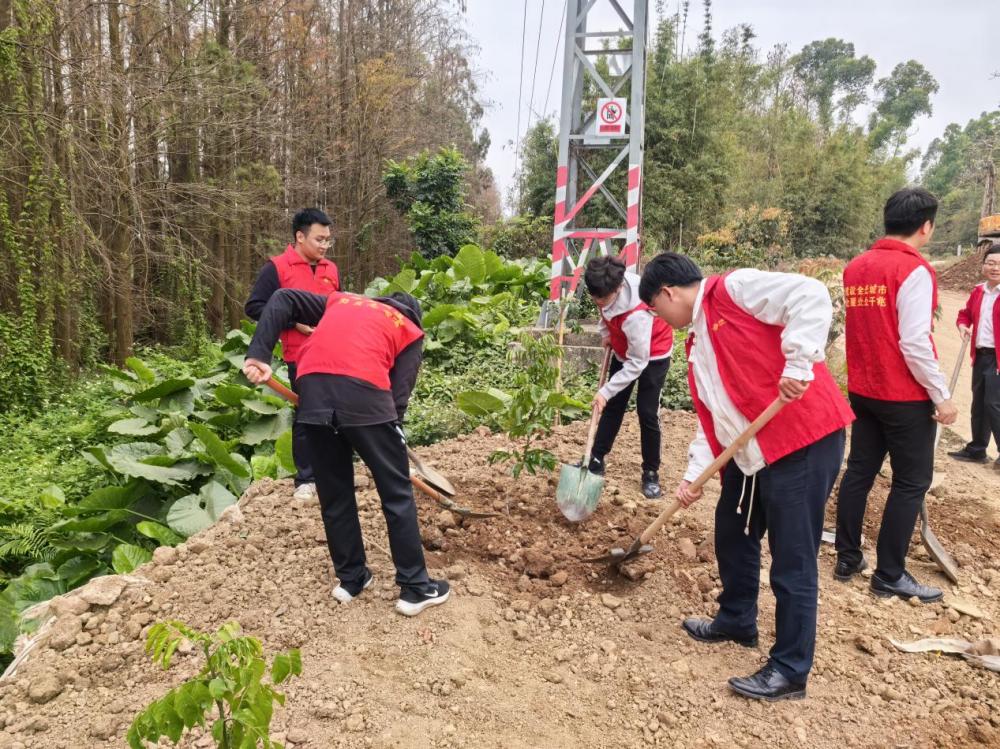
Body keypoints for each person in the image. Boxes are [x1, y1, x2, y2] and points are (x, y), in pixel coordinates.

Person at [639, 252, 852, 703]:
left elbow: (809, 295)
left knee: (792, 558)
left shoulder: (732, 290)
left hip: (802, 439)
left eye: (657, 309)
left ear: (667, 292)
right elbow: (714, 419)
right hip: (754, 451)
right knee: (733, 531)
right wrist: (694, 476)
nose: (660, 318)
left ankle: (791, 669)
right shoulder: (697, 342)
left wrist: (798, 364)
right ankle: (737, 620)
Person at [242, 288, 450, 617]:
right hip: (365, 393)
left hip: (311, 391)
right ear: (413, 313)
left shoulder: (341, 301)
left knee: (335, 493)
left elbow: (280, 298)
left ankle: (352, 579)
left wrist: (259, 355)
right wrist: (391, 438)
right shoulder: (408, 327)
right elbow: (398, 396)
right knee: (396, 494)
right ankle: (415, 588)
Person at [835, 187, 958, 604]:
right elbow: (914, 342)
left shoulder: (856, 267)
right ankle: (889, 573)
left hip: (864, 390)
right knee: (911, 481)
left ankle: (847, 557)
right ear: (926, 227)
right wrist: (941, 395)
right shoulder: (914, 271)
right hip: (903, 395)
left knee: (859, 471)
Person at [244, 208, 339, 502]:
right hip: (300, 352)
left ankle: (334, 473)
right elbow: (255, 307)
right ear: (300, 236)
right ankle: (307, 479)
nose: (324, 246)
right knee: (308, 411)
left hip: (333, 351)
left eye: (328, 240)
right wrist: (293, 323)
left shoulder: (331, 269)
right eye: (319, 239)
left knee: (336, 411)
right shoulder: (276, 267)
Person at [584, 256, 674, 498]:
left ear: (618, 288)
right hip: (624, 350)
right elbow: (603, 313)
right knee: (613, 406)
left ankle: (651, 472)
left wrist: (604, 391)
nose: (597, 302)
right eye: (594, 297)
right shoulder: (601, 289)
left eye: (601, 298)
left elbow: (638, 363)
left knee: (647, 411)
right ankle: (595, 459)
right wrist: (606, 333)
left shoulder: (637, 312)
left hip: (652, 355)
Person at [948, 242, 1000, 469]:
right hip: (980, 356)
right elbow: (965, 314)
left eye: (999, 264)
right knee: (979, 403)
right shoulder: (979, 291)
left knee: (994, 404)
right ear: (983, 266)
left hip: (998, 360)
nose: (995, 268)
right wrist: (963, 325)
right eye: (991, 263)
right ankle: (977, 449)